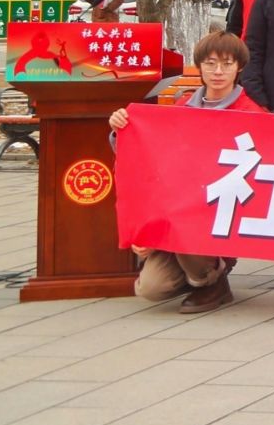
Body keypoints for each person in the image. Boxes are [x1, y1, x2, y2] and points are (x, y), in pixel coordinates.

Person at [106, 31, 259, 313]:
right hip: (175, 213)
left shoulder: (251, 114)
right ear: (199, 66)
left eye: (227, 64)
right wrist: (122, 130)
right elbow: (147, 161)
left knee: (189, 230)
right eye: (210, 63)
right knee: (151, 288)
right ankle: (199, 277)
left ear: (239, 67)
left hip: (217, 216)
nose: (218, 71)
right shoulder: (181, 108)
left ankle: (212, 279)